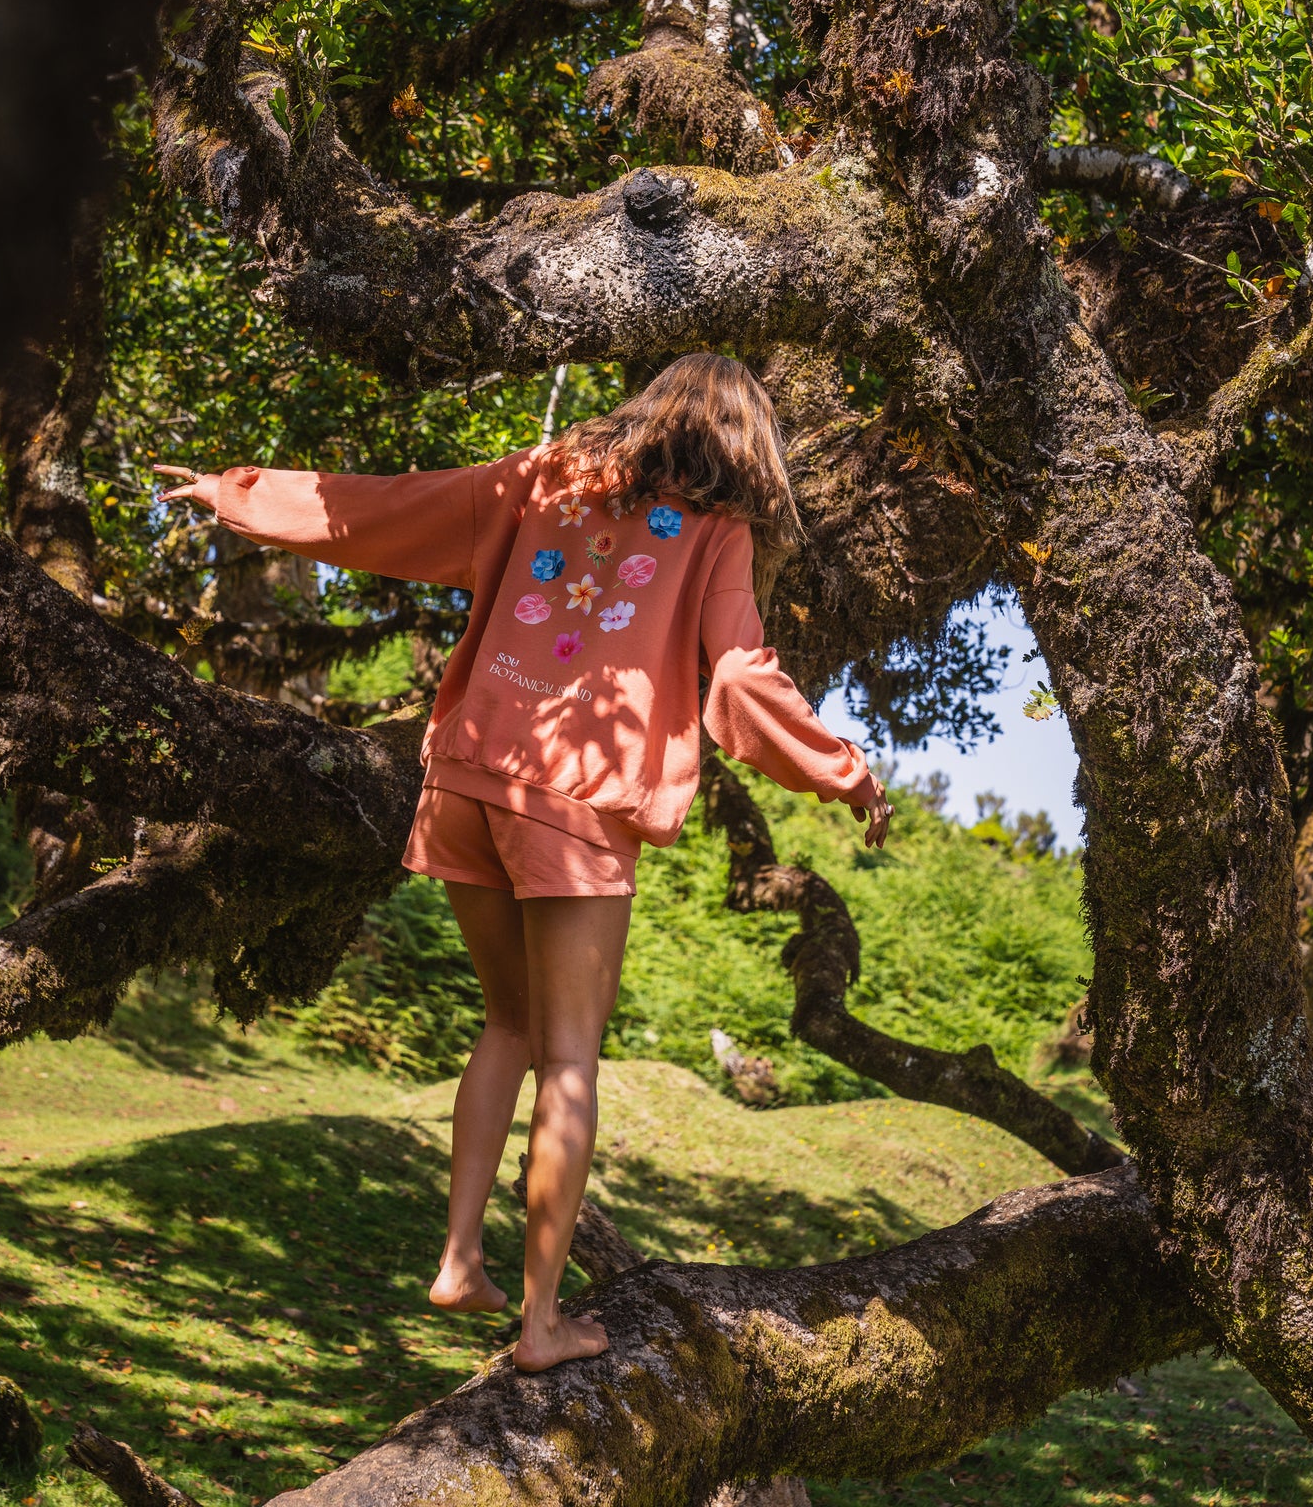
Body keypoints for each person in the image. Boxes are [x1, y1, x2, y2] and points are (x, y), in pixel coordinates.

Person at [155, 352, 888, 1372]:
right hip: (574, 806)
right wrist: (843, 770)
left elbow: (398, 509)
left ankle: (461, 1257)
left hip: (465, 776)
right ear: (741, 442)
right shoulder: (718, 533)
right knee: (571, 1057)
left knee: (508, 1019)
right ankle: (541, 1321)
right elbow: (739, 679)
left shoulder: (543, 477)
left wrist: (242, 493)